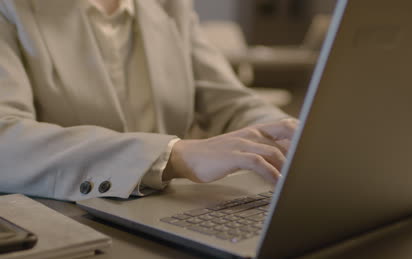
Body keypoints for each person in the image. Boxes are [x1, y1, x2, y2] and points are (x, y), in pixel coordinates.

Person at [0, 0, 297, 201]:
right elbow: (6, 140)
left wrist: (290, 136)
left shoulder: (169, 5)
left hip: (163, 212)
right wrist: (174, 156)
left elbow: (230, 101)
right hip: (65, 224)